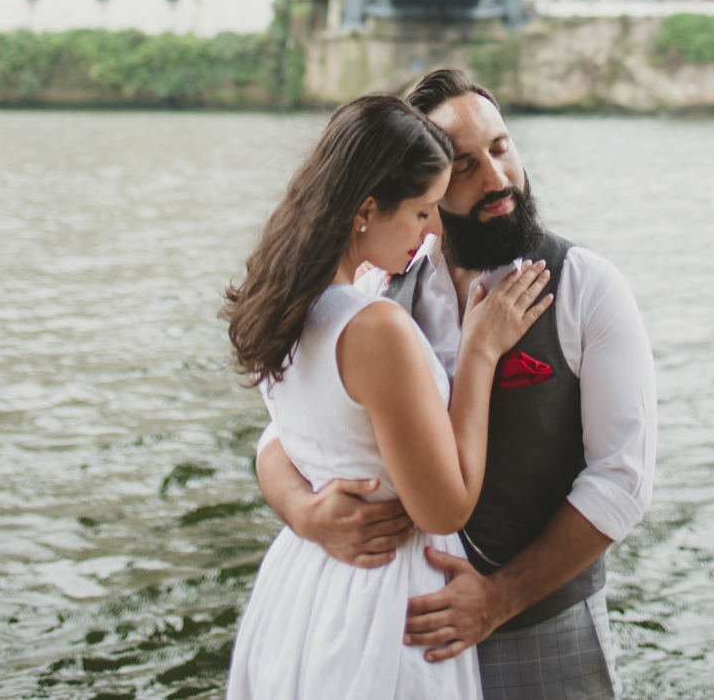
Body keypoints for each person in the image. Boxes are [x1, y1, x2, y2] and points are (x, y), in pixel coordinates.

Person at [258, 69, 657, 699]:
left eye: (501, 148)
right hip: (396, 632)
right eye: (465, 166)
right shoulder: (373, 292)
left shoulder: (589, 285)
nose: (497, 180)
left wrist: (497, 599)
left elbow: (623, 479)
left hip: (542, 631)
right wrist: (305, 513)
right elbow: (287, 436)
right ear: (426, 185)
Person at [223, 91, 555, 700]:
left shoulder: (281, 301)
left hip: (303, 582)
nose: (433, 230)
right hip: (384, 601)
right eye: (423, 211)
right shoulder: (374, 327)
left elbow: (295, 435)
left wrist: (300, 510)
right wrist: (479, 355)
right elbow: (444, 509)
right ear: (366, 211)